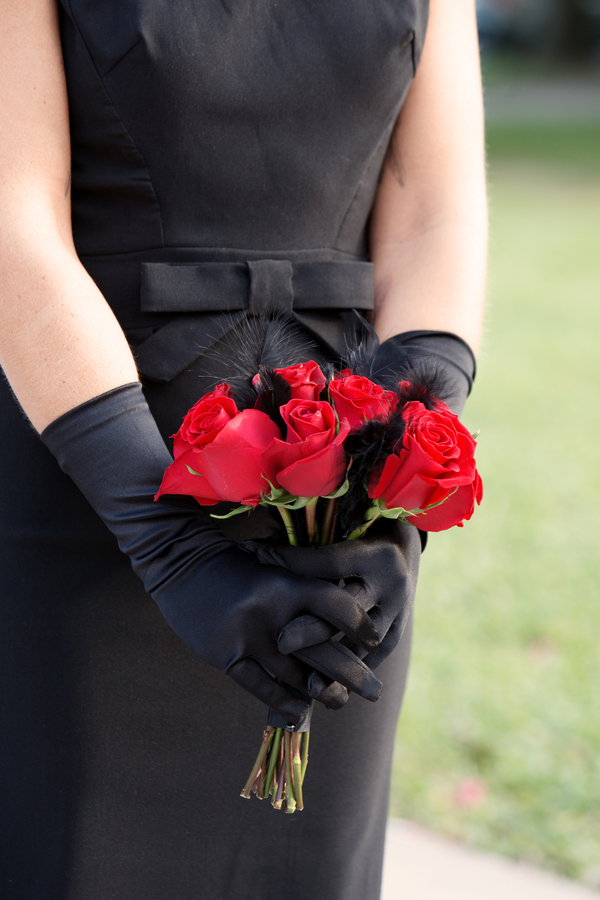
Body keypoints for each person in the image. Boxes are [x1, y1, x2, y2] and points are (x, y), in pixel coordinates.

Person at [0, 0, 486, 897]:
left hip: (336, 520)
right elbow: (14, 219)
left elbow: (434, 211)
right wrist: (171, 546)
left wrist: (400, 474)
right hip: (87, 481)